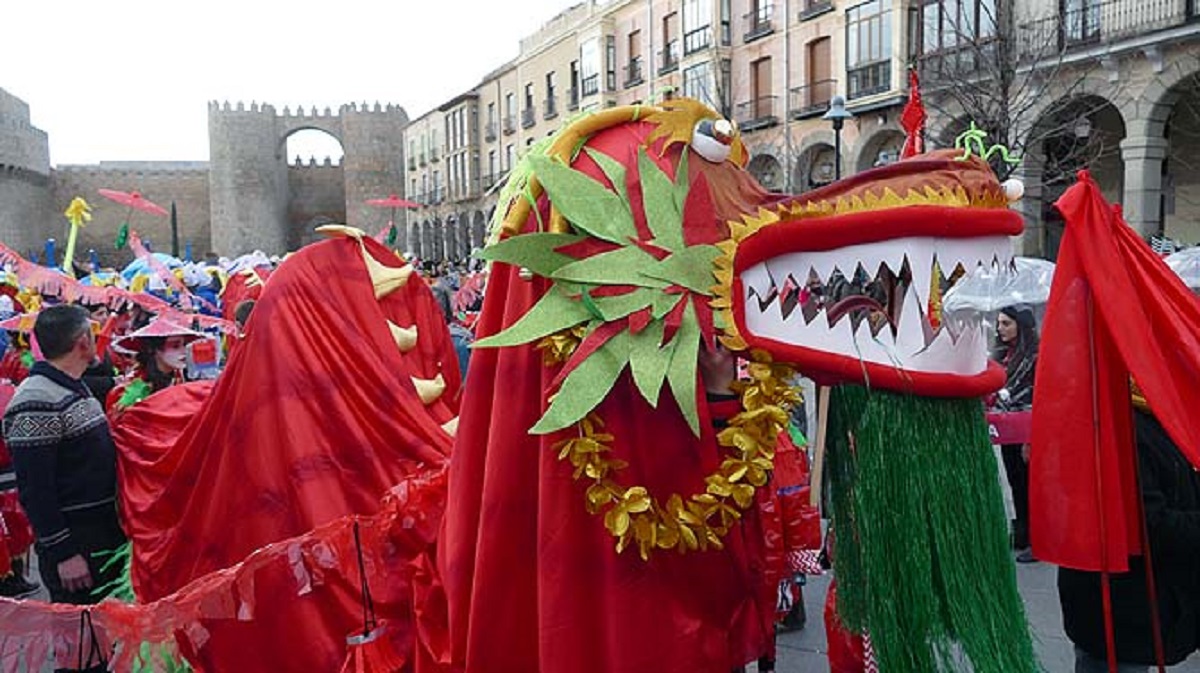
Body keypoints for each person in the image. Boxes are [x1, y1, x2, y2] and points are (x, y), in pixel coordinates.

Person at [1057, 403, 1200, 671]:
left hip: (1163, 604)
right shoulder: (1109, 422)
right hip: (1122, 615)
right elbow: (1150, 526)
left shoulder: (1171, 410)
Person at [1, 304, 125, 604]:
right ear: (83, 341)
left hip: (99, 536)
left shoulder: (71, 386)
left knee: (103, 641)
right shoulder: (35, 400)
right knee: (81, 645)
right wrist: (64, 553)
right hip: (77, 544)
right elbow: (35, 489)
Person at [990, 303, 1039, 563]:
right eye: (999, 324)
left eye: (1006, 323)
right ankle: (1021, 531)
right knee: (1016, 482)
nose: (1000, 329)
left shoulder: (1035, 356)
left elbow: (1039, 394)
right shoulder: (1003, 355)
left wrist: (1031, 437)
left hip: (1029, 429)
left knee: (1031, 485)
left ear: (1020, 326)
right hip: (1008, 427)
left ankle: (1037, 539)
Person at [106, 317, 205, 412]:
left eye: (184, 345)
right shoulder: (131, 389)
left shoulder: (178, 377)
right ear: (153, 349)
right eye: (175, 346)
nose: (183, 351)